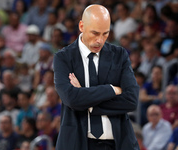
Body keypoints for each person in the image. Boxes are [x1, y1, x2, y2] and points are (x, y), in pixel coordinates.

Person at [53, 4, 139, 150]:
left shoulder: (119, 55)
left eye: (105, 34)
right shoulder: (63, 57)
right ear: (81, 26)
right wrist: (111, 89)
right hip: (78, 143)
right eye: (95, 33)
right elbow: (71, 98)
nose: (100, 40)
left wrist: (88, 103)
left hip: (119, 143)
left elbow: (131, 100)